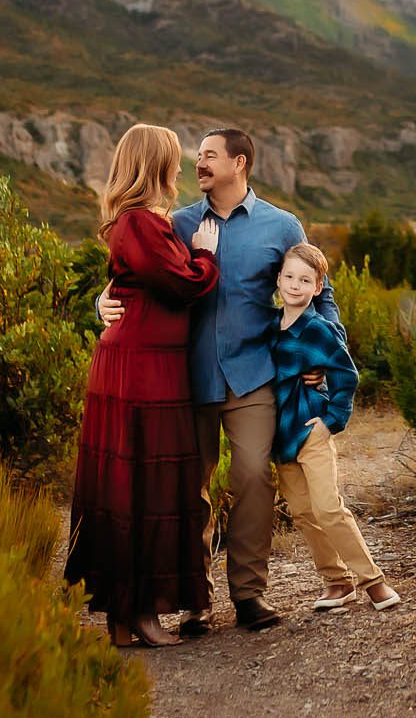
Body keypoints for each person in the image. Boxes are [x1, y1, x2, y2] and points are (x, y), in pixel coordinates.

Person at [98, 127, 340, 633]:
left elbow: (321, 293)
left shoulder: (281, 225)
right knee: (187, 489)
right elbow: (133, 274)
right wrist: (101, 301)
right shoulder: (177, 223)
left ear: (240, 163)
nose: (199, 165)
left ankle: (250, 595)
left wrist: (327, 354)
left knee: (252, 478)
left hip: (253, 375)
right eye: (198, 157)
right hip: (183, 379)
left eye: (209, 156)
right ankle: (196, 601)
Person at [66, 123, 222, 648]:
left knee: (136, 481)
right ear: (153, 164)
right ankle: (140, 613)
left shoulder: (144, 222)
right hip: (140, 368)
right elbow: (183, 285)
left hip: (149, 361)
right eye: (173, 159)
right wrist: (206, 256)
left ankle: (126, 616)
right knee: (141, 483)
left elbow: (132, 283)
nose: (179, 168)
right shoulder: (138, 223)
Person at [270, 242, 400, 612]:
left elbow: (347, 376)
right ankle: (336, 581)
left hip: (310, 430)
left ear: (317, 288)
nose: (295, 285)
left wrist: (331, 421)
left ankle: (373, 581)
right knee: (302, 513)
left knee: (328, 508)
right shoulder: (270, 327)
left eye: (305, 280)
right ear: (278, 279)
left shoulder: (318, 329)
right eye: (290, 277)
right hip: (280, 437)